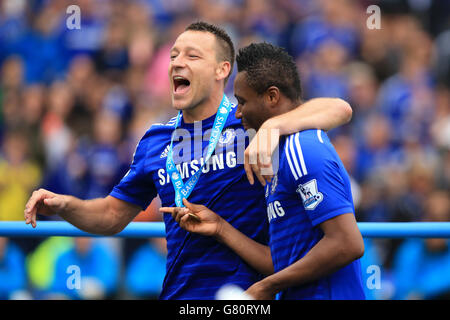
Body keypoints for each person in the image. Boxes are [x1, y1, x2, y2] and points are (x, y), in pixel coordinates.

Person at [24, 22, 353, 300]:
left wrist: (274, 126)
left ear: (222, 69)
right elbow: (111, 215)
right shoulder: (155, 140)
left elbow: (339, 108)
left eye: (192, 55)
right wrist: (66, 205)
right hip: (179, 294)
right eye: (173, 56)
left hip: (244, 296)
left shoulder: (250, 118)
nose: (177, 62)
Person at [162, 42, 365, 300]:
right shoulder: (275, 152)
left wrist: (264, 288)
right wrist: (221, 228)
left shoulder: (303, 149)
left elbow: (347, 244)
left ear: (271, 97)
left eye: (242, 101)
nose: (237, 112)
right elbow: (283, 261)